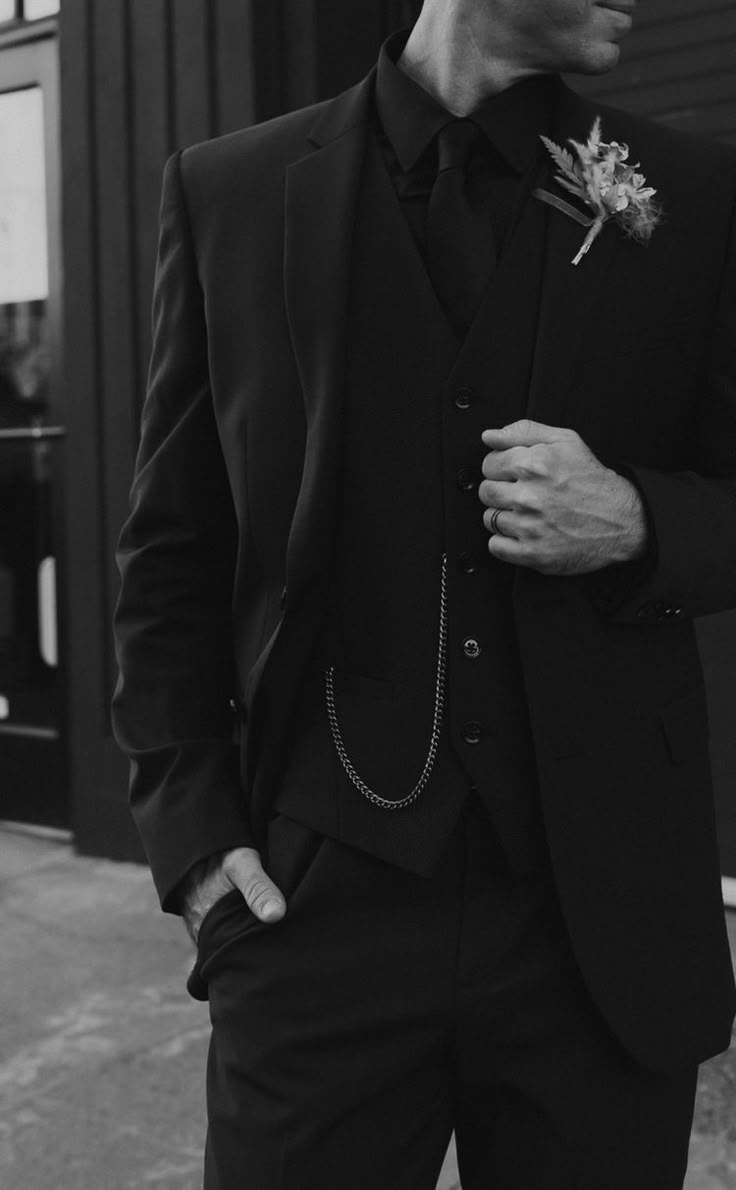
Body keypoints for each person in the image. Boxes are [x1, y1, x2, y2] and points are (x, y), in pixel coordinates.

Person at [112, 1, 736, 1186]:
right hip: (314, 911)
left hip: (595, 922)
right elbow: (172, 552)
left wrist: (641, 517)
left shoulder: (689, 195)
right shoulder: (229, 194)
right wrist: (194, 845)